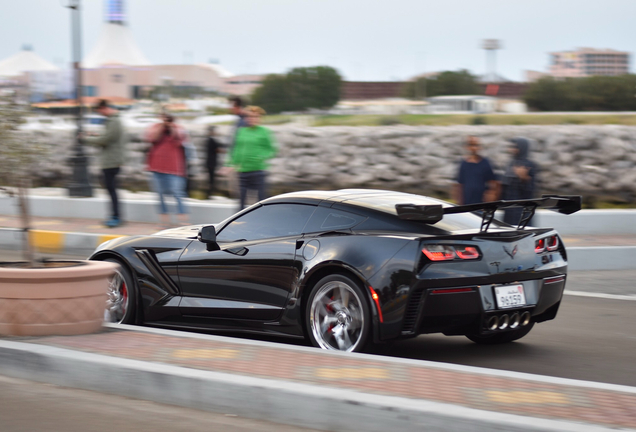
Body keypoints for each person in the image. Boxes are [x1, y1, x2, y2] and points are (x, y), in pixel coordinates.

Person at [83, 99, 126, 228]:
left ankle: (116, 217)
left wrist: (86, 139)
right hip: (110, 161)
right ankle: (114, 215)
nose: (100, 114)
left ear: (104, 108)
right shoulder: (113, 121)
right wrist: (95, 137)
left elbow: (106, 139)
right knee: (111, 189)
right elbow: (106, 138)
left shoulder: (114, 121)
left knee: (112, 190)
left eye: (100, 112)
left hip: (111, 161)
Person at [225, 106, 277, 210]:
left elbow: (271, 149)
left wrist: (260, 156)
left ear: (259, 118)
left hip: (258, 172)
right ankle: (238, 224)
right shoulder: (241, 131)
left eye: (255, 116)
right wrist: (230, 164)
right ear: (246, 118)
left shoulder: (264, 131)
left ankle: (261, 223)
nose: (252, 119)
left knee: (260, 202)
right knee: (241, 203)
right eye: (249, 116)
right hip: (243, 171)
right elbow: (237, 149)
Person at [145, 114, 189, 227]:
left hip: (174, 168)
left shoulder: (178, 128)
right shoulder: (156, 127)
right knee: (159, 194)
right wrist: (162, 126)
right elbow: (152, 138)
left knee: (178, 193)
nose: (166, 121)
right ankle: (164, 221)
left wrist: (171, 127)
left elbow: (181, 139)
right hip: (157, 166)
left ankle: (183, 221)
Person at [452, 136, 499, 205]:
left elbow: (493, 183)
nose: (474, 148)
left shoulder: (485, 163)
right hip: (466, 202)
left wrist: (490, 198)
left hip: (481, 202)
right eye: (471, 145)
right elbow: (460, 184)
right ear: (467, 147)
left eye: (476, 145)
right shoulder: (463, 164)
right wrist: (459, 201)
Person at [502, 137, 538, 225]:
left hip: (522, 212)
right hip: (509, 211)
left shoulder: (530, 165)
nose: (513, 150)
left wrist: (524, 178)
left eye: (516, 147)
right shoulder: (511, 164)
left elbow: (530, 192)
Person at [205, 125, 223, 198]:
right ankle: (210, 192)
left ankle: (210, 191)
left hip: (210, 162)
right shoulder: (212, 140)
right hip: (211, 162)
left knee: (211, 178)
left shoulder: (209, 140)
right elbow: (217, 150)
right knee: (211, 178)